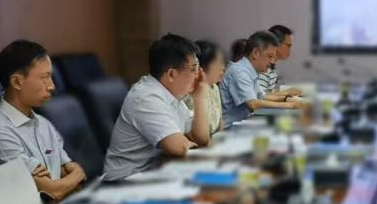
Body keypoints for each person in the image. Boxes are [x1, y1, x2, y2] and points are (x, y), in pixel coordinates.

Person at [0, 40, 86, 201]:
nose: (52, 86)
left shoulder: (44, 124)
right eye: (44, 78)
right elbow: (53, 192)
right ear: (17, 82)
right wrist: (75, 175)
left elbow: (71, 174)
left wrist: (73, 175)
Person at [102, 33, 212, 181]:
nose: (198, 75)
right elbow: (180, 148)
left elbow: (201, 138)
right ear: (171, 74)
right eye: (193, 69)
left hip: (154, 172)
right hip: (125, 181)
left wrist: (199, 98)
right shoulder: (147, 97)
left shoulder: (172, 94)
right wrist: (186, 143)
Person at [220, 30, 307, 124]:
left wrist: (287, 99)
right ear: (255, 53)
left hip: (244, 123)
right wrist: (289, 105)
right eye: (269, 56)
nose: (272, 62)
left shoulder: (250, 71)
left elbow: (262, 97)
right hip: (231, 128)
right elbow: (253, 104)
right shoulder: (239, 71)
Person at [185, 40, 227, 135]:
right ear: (202, 66)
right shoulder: (189, 90)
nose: (223, 68)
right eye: (219, 63)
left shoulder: (214, 88)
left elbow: (220, 122)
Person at [257, 24, 305, 100]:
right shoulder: (262, 67)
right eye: (288, 46)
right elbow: (259, 97)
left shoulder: (271, 66)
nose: (290, 50)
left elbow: (267, 92)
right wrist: (286, 93)